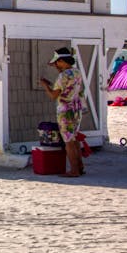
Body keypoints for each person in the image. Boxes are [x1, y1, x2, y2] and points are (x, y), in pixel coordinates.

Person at [39, 47, 86, 177]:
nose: (56, 65)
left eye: (57, 62)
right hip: (76, 109)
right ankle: (80, 166)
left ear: (62, 61)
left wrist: (45, 86)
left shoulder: (62, 76)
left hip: (65, 111)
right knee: (75, 139)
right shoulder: (77, 72)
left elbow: (54, 95)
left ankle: (74, 170)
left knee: (68, 142)